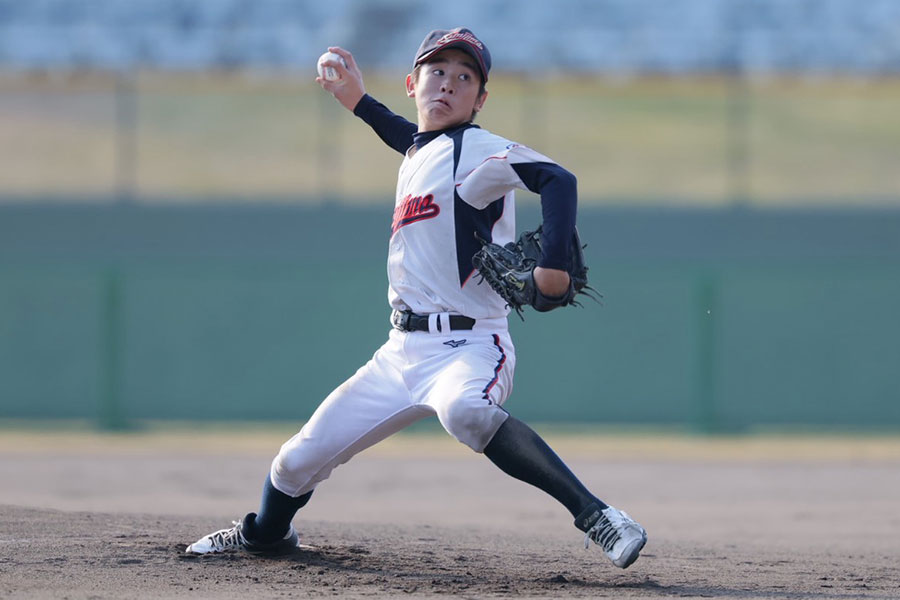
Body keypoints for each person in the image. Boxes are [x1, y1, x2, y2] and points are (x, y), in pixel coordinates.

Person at [186, 27, 647, 570]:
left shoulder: (476, 149)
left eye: (464, 77)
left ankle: (599, 517)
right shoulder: (423, 151)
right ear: (413, 84)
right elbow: (410, 137)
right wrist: (358, 102)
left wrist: (553, 265)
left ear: (480, 100)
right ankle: (264, 536)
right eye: (437, 72)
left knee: (466, 411)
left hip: (469, 345)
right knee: (294, 462)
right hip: (400, 353)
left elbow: (558, 180)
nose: (448, 84)